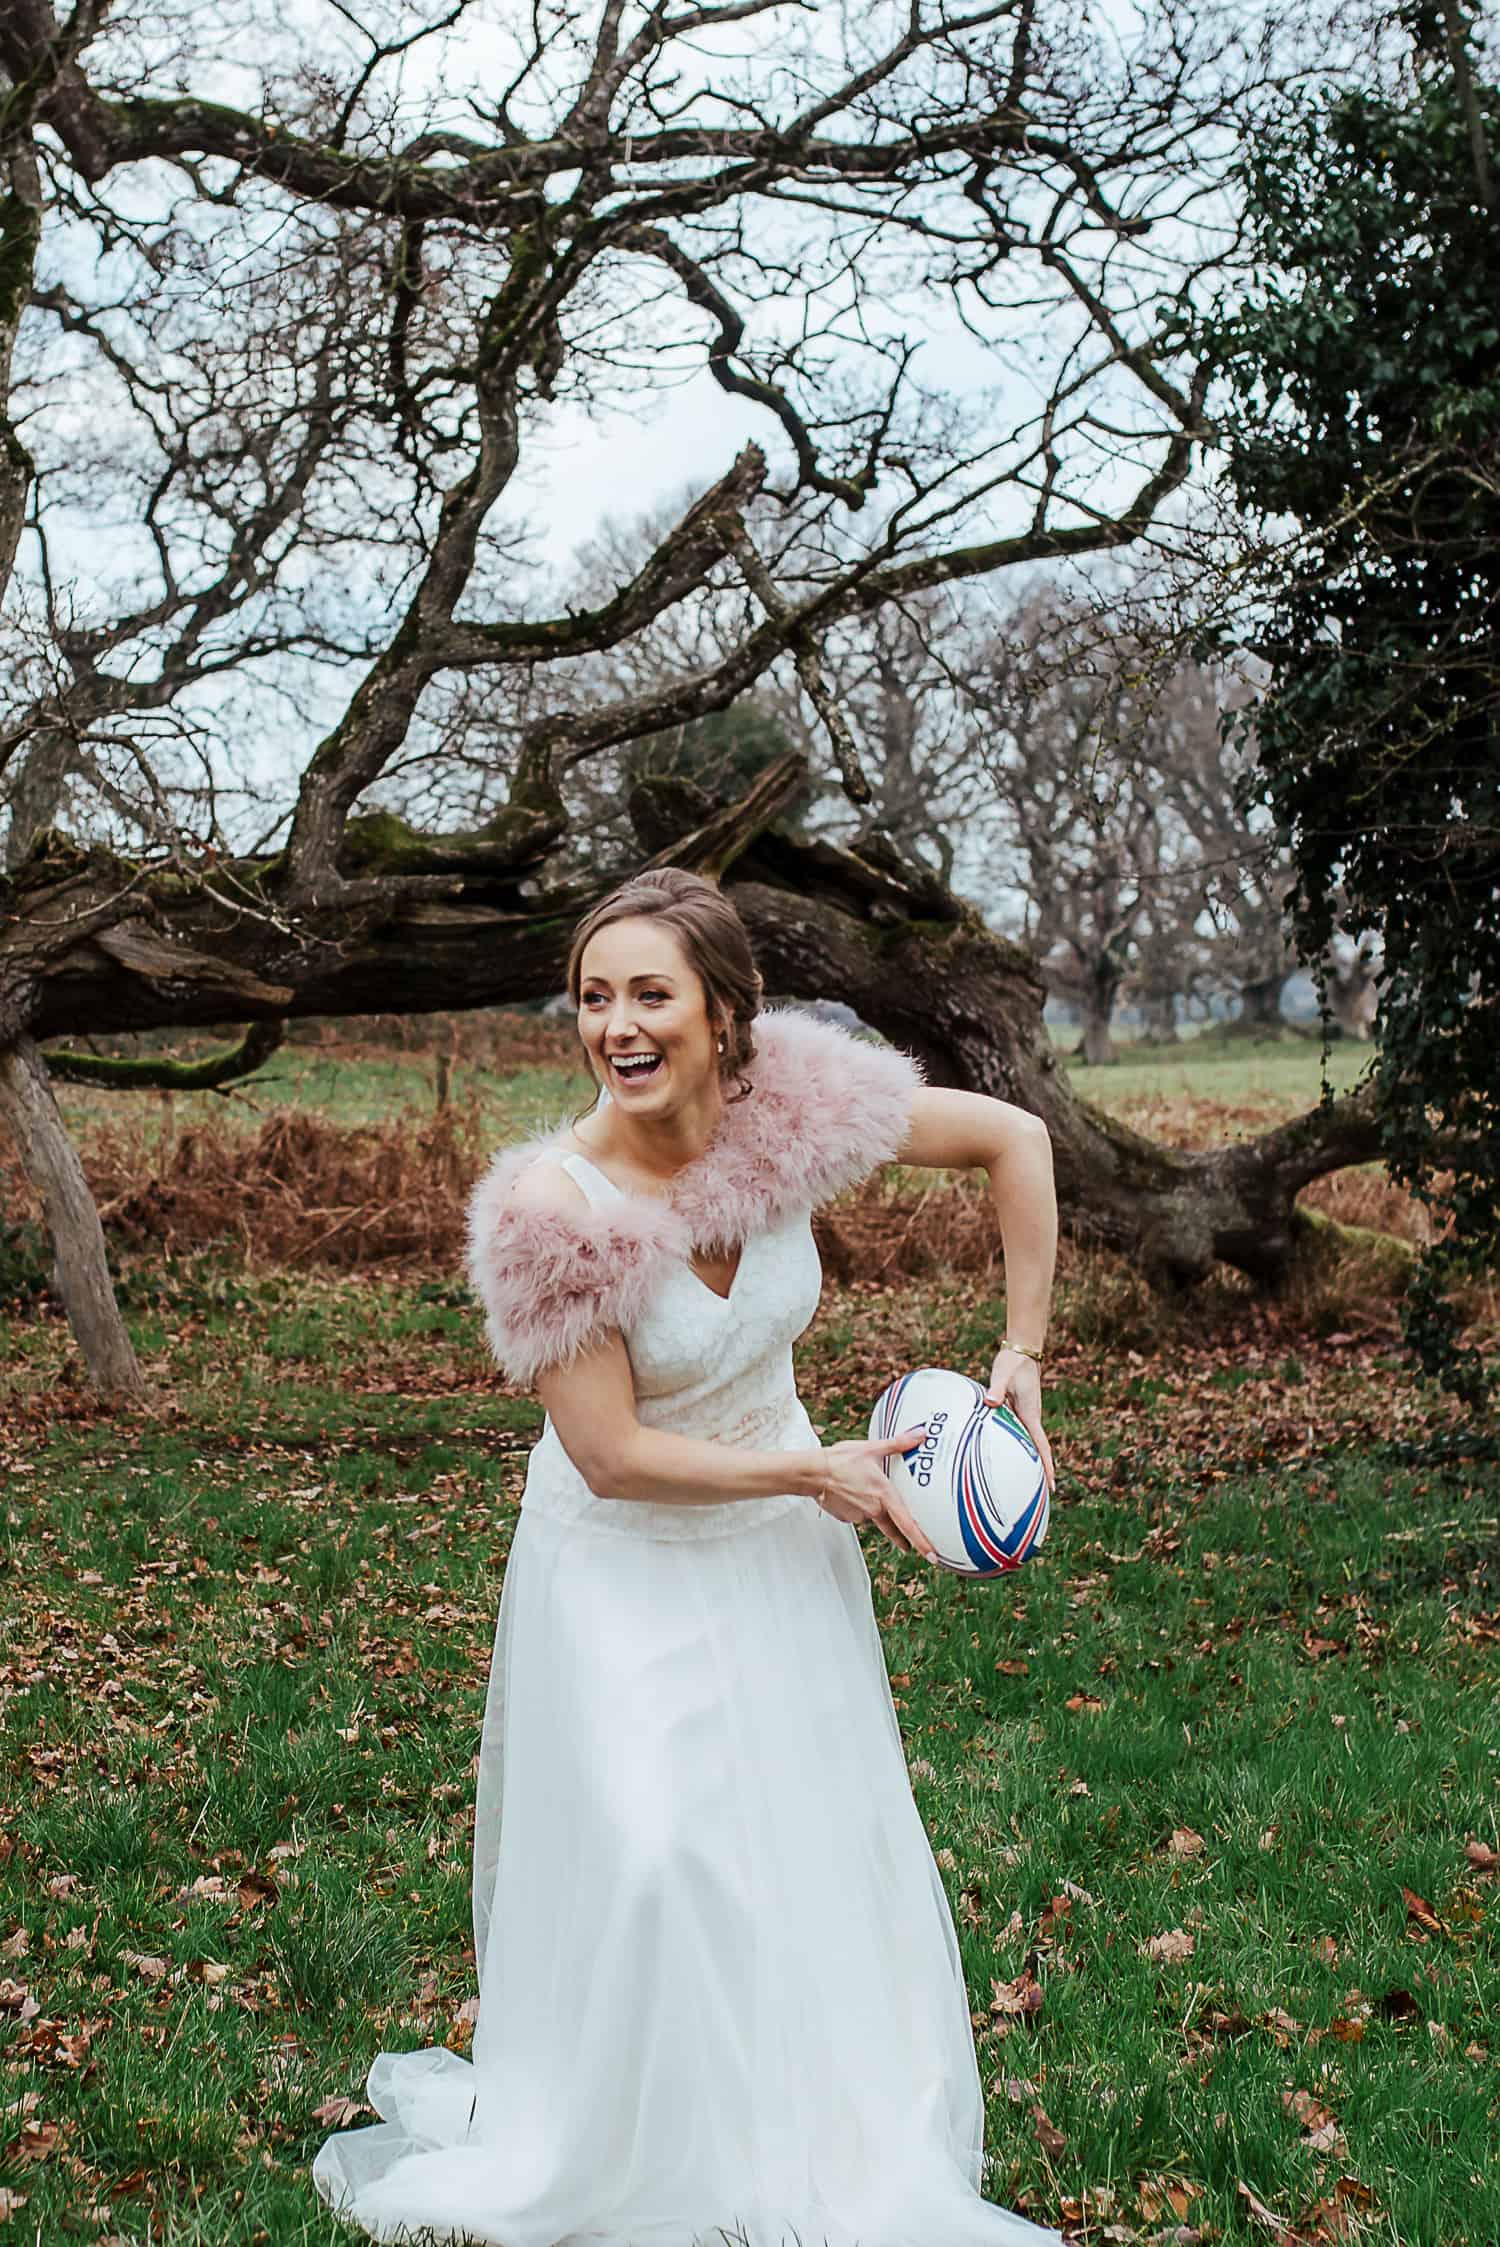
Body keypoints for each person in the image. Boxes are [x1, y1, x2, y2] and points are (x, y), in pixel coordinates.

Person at [312, 868, 1063, 2247]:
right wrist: (810, 1469)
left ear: (729, 1016)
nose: (618, 1026)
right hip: (622, 1561)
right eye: (595, 998)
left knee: (801, 1844)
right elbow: (610, 1454)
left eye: (650, 993)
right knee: (659, 1854)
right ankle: (629, 2153)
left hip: (780, 1547)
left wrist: (1017, 1352)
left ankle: (794, 2141)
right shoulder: (558, 1209)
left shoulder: (800, 1107)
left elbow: (1016, 1139)